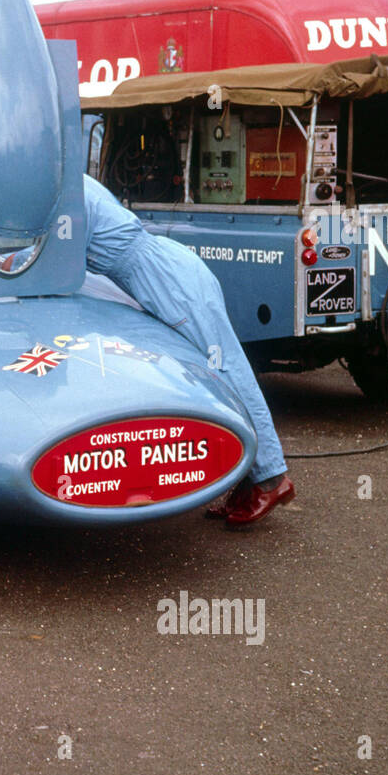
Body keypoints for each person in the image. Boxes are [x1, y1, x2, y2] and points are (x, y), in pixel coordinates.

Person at [82, 175, 294, 526]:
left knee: (227, 371)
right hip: (163, 274)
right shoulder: (76, 182)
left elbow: (55, 261)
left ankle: (271, 479)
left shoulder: (68, 191)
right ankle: (246, 478)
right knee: (213, 372)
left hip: (168, 282)